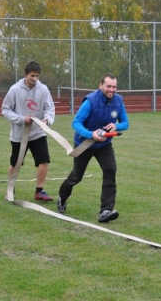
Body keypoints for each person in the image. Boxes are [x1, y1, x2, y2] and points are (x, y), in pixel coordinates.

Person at [57, 73, 129, 222]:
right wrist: (91, 134)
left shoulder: (119, 101)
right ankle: (62, 197)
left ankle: (106, 211)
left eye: (114, 87)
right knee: (76, 177)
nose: (111, 89)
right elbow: (76, 123)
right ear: (100, 85)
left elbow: (126, 123)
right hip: (85, 144)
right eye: (108, 86)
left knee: (110, 170)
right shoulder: (90, 101)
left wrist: (117, 125)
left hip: (104, 145)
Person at [2, 60, 55, 201]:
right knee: (16, 162)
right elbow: (5, 109)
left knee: (44, 160)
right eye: (32, 75)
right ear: (25, 74)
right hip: (19, 135)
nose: (34, 79)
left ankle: (39, 191)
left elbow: (50, 108)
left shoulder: (43, 89)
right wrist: (21, 119)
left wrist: (48, 120)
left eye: (37, 76)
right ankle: (10, 190)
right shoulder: (15, 89)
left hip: (38, 133)